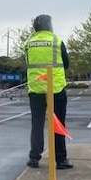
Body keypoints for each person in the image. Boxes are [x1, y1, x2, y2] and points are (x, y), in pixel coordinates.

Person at [25, 14, 72, 169]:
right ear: (49, 26)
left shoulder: (28, 44)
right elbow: (66, 63)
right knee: (58, 123)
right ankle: (61, 159)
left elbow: (28, 63)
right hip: (56, 88)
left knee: (37, 124)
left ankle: (34, 158)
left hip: (36, 89)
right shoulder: (57, 41)